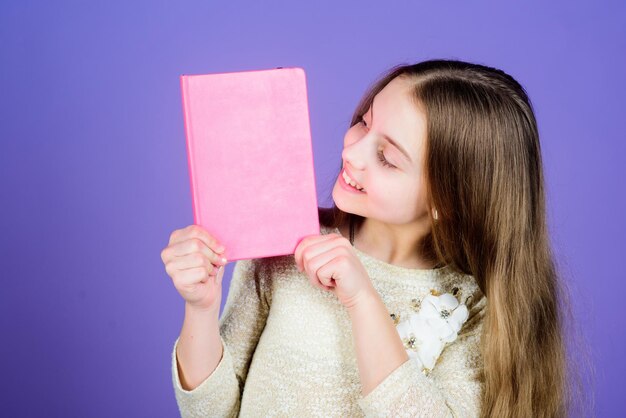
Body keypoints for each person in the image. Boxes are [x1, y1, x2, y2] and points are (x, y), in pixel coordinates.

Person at [161, 59, 575, 417]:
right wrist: (200, 307)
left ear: (447, 201)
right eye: (364, 122)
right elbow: (209, 411)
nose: (352, 154)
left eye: (387, 158)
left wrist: (363, 301)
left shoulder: (473, 306)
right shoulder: (286, 246)